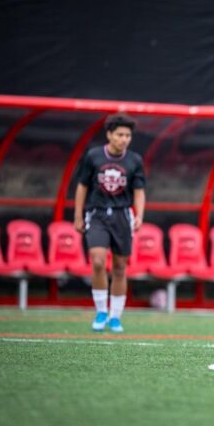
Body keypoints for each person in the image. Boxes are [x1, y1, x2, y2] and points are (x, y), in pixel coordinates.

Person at [74, 113, 146, 333]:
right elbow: (82, 186)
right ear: (109, 135)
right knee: (97, 261)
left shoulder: (134, 160)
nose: (124, 139)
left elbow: (139, 191)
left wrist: (139, 215)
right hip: (97, 214)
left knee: (120, 266)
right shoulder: (94, 156)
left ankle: (115, 316)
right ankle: (100, 311)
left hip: (122, 215)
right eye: (120, 134)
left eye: (127, 135)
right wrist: (78, 215)